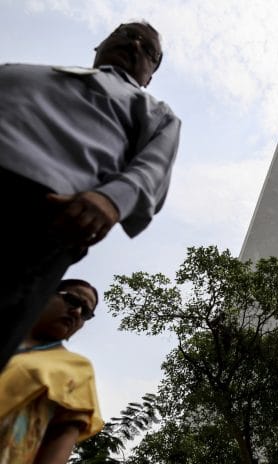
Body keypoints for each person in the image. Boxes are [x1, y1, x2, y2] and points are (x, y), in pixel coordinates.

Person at [0, 20, 181, 370]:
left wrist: (110, 200)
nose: (133, 45)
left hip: (41, 216)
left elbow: (151, 172)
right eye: (124, 36)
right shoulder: (22, 72)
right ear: (98, 46)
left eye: (148, 49)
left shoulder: (156, 113)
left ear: (151, 74)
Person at [0, 279, 103, 463]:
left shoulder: (76, 367)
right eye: (72, 300)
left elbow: (62, 435)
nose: (77, 312)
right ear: (46, 293)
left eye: (86, 312)